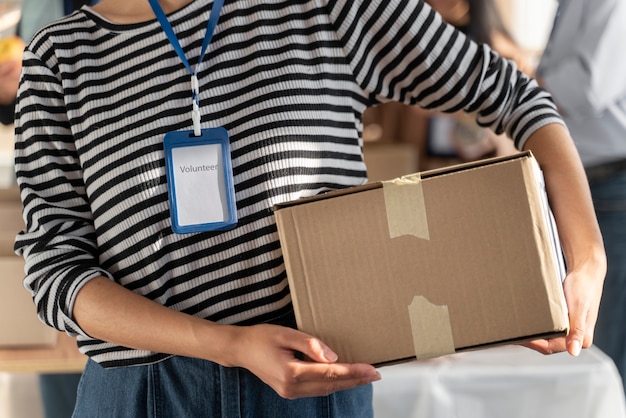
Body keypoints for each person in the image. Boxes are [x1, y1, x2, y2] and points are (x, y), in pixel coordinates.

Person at [13, 0, 605, 416]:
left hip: (314, 391)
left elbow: (517, 98)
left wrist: (587, 256)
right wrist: (229, 344)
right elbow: (57, 276)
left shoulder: (325, 9)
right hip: (142, 396)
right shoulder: (59, 61)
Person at [536, 0, 626, 396]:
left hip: (612, 182)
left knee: (604, 348)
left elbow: (590, 85)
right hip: (593, 181)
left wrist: (527, 80)